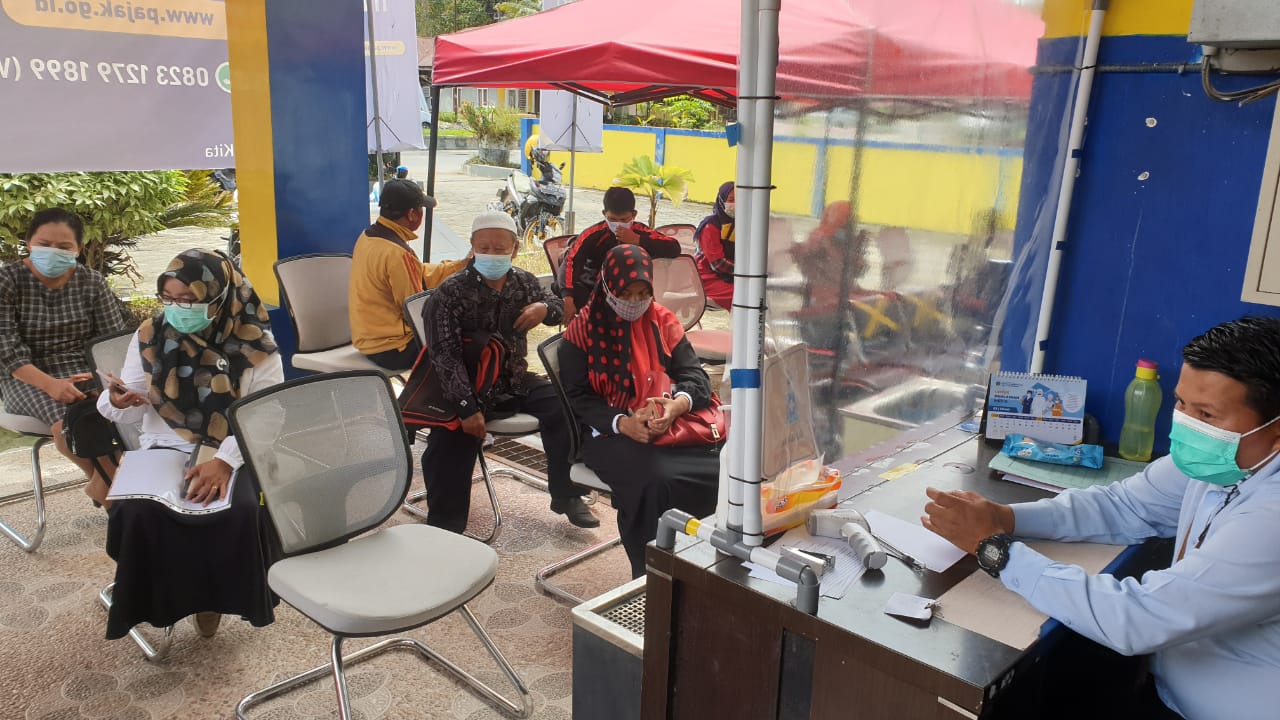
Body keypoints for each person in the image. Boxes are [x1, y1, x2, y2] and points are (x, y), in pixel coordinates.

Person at [921, 316, 1280, 720]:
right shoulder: (1224, 460)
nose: (1187, 423)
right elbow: (1123, 505)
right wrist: (1006, 517)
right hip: (1168, 688)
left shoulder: (1271, 521)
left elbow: (1139, 619)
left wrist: (996, 550)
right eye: (1181, 403)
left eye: (1208, 415)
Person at [98, 249, 282, 640]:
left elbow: (267, 415)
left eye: (189, 299)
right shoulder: (150, 335)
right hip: (164, 447)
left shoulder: (256, 345)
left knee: (240, 509)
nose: (176, 309)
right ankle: (156, 600)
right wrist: (119, 401)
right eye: (168, 298)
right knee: (138, 512)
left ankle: (213, 599)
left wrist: (225, 462)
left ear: (219, 296)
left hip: (234, 447)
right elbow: (126, 403)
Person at [421, 211, 599, 532]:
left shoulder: (523, 282)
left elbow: (556, 305)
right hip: (466, 384)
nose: (491, 254)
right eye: (484, 248)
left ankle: (567, 493)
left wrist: (544, 308)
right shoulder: (449, 294)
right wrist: (467, 407)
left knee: (566, 407)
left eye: (500, 249)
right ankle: (446, 529)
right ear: (472, 247)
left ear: (515, 249)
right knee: (448, 444)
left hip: (513, 379)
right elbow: (445, 358)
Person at [560, 244, 721, 577]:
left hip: (667, 423)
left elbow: (695, 376)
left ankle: (700, 562)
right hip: (608, 432)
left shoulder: (662, 320)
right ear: (607, 286)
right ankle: (652, 575)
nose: (634, 302)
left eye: (643, 293)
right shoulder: (582, 331)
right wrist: (623, 423)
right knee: (654, 481)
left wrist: (676, 405)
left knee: (721, 466)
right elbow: (578, 397)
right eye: (625, 293)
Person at [0, 208, 129, 505]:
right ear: (29, 243)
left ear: (78, 249)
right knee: (72, 423)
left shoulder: (92, 282)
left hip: (86, 369)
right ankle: (116, 498)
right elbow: (6, 351)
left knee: (124, 413)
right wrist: (51, 385)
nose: (53, 252)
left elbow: (111, 341)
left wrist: (106, 381)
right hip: (26, 376)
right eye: (44, 244)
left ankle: (108, 491)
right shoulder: (7, 281)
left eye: (63, 246)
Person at [350, 178, 468, 371]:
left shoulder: (368, 238)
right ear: (412, 214)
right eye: (421, 209)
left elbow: (420, 273)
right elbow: (416, 308)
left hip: (368, 340)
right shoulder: (397, 253)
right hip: (395, 348)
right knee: (468, 337)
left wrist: (460, 265)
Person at [560, 186, 681, 323]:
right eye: (612, 219)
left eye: (624, 220)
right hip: (594, 293)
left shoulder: (640, 231)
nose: (618, 224)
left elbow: (674, 247)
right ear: (604, 214)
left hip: (631, 296)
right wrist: (567, 297)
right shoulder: (593, 234)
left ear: (634, 215)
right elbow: (570, 262)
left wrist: (638, 240)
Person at [693, 181, 735, 310]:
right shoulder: (711, 226)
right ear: (722, 201)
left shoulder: (745, 223)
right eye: (731, 200)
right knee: (742, 295)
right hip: (706, 277)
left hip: (732, 275)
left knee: (761, 292)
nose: (736, 204)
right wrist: (745, 273)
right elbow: (717, 264)